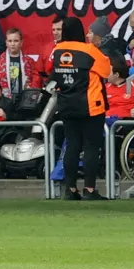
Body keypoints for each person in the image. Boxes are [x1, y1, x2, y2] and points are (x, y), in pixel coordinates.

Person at [49, 15, 109, 200]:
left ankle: (71, 189)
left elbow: (53, 75)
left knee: (72, 145)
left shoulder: (57, 51)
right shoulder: (89, 50)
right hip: (90, 105)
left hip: (67, 104)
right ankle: (89, 189)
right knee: (91, 146)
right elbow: (106, 70)